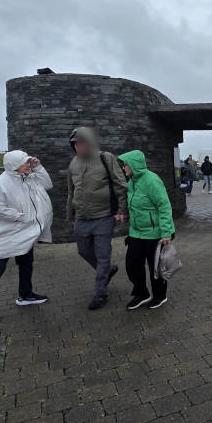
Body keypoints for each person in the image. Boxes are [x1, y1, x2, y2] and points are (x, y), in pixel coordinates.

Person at [0, 150, 53, 322]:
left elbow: (47, 184)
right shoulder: (0, 184)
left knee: (26, 263)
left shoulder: (29, 178)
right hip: (5, 235)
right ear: (14, 165)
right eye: (25, 163)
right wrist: (21, 216)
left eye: (29, 162)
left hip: (26, 233)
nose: (29, 165)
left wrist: (39, 167)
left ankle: (25, 295)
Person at [66, 126, 128, 310]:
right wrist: (70, 213)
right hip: (82, 218)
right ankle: (107, 271)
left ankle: (101, 293)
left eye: (82, 143)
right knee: (83, 251)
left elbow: (120, 185)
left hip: (103, 216)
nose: (79, 147)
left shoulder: (106, 158)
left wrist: (122, 210)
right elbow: (71, 191)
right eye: (75, 144)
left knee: (102, 255)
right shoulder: (73, 164)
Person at [118, 150, 175, 310]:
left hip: (155, 233)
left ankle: (160, 295)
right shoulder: (132, 182)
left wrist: (166, 232)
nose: (124, 168)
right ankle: (142, 293)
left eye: (126, 164)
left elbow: (164, 206)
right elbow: (136, 205)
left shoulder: (152, 181)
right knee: (132, 265)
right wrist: (125, 214)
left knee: (155, 268)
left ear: (135, 165)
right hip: (136, 232)